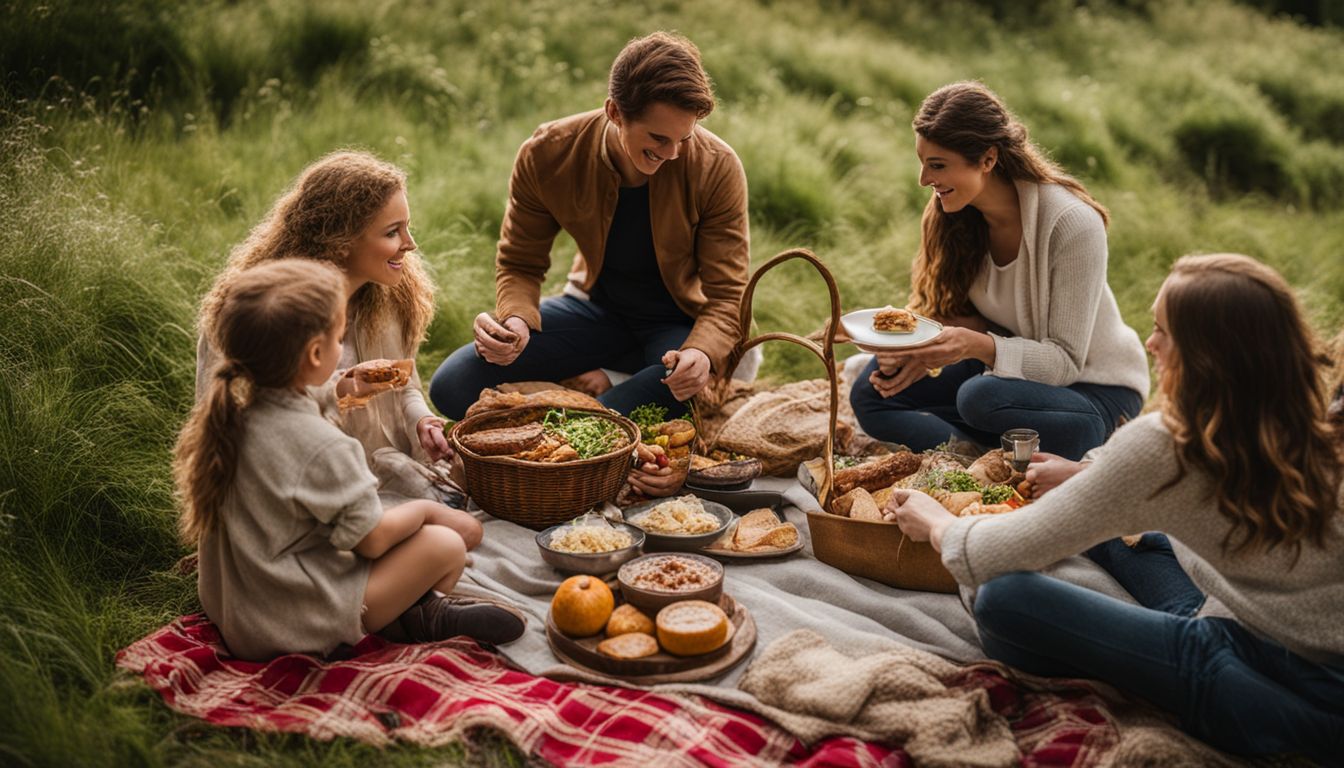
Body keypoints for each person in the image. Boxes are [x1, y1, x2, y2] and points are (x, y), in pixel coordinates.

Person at [887, 253, 1344, 763]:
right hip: (1246, 617)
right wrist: (1089, 477)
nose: (1149, 344)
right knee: (1117, 526)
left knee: (1002, 598)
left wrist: (936, 522)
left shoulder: (1169, 446)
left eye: (1163, 331)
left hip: (1279, 695)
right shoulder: (1312, 426)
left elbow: (990, 555)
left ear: (1208, 355)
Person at [427, 32, 750, 496]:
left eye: (685, 138)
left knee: (668, 394)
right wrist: (515, 321)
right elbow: (520, 262)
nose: (673, 154)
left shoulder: (717, 166)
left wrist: (700, 354)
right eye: (658, 138)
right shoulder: (547, 153)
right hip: (597, 312)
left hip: (679, 329)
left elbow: (728, 297)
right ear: (614, 112)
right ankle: (593, 417)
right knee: (453, 385)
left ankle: (569, 430)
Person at [176, 260, 525, 661]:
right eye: (340, 338)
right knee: (447, 543)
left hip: (239, 610)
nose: (344, 347)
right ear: (315, 353)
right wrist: (428, 510)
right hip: (292, 626)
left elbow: (307, 398)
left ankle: (415, 611)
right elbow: (371, 540)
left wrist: (351, 384)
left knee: (411, 535)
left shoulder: (232, 415)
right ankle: (412, 620)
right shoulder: (324, 446)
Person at [849, 81, 1148, 461]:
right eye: (922, 162)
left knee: (979, 397)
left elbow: (1064, 363)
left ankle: (1022, 444)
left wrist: (973, 347)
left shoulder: (1071, 223)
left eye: (938, 165)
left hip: (1092, 390)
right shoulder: (955, 216)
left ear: (988, 159)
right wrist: (915, 348)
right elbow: (968, 319)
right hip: (1008, 376)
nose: (924, 179)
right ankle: (979, 456)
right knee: (872, 391)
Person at [196, 151, 456, 505]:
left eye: (407, 227)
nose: (410, 244)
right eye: (393, 232)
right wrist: (345, 390)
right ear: (340, 240)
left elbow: (404, 386)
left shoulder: (389, 297)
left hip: (376, 472)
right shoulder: (260, 313)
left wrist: (422, 420)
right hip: (299, 487)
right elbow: (246, 429)